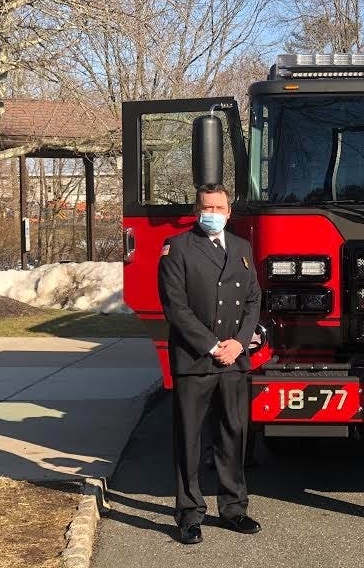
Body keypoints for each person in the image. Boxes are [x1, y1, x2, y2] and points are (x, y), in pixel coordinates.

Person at [158, 184, 262, 544]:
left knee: (233, 435)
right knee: (189, 438)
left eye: (219, 206)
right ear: (196, 208)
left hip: (234, 359)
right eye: (207, 206)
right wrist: (213, 344)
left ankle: (234, 508)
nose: (213, 212)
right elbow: (175, 307)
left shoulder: (241, 247)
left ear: (229, 211)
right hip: (195, 358)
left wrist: (239, 342)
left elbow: (253, 299)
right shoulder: (177, 248)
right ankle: (189, 513)